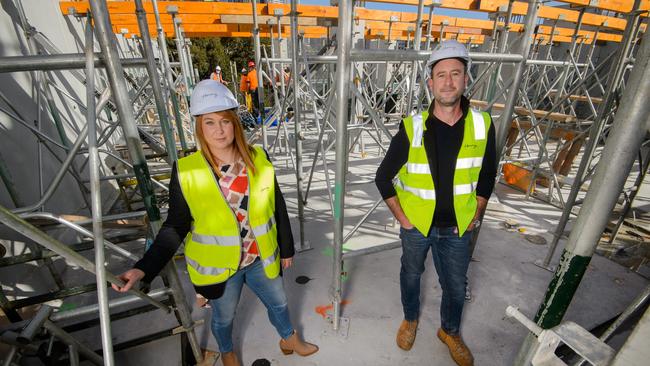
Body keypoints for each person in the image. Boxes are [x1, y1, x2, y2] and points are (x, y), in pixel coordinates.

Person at [112, 80, 318, 366]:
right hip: (220, 269)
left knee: (279, 303)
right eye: (210, 123)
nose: (219, 130)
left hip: (261, 257)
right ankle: (227, 352)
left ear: (235, 123)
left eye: (225, 121)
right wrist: (142, 269)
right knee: (224, 317)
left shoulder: (258, 157)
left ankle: (288, 338)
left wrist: (286, 247)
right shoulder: (186, 171)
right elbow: (174, 227)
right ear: (200, 126)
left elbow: (277, 204)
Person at [374, 40, 496, 366]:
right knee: (411, 274)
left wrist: (477, 212)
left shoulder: (483, 125)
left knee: (456, 286)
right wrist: (403, 218)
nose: (448, 81)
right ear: (431, 83)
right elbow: (383, 177)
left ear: (466, 79)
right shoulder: (412, 127)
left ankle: (450, 331)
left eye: (455, 73)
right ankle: (410, 319)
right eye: (440, 75)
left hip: (458, 228)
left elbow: (487, 175)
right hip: (417, 226)